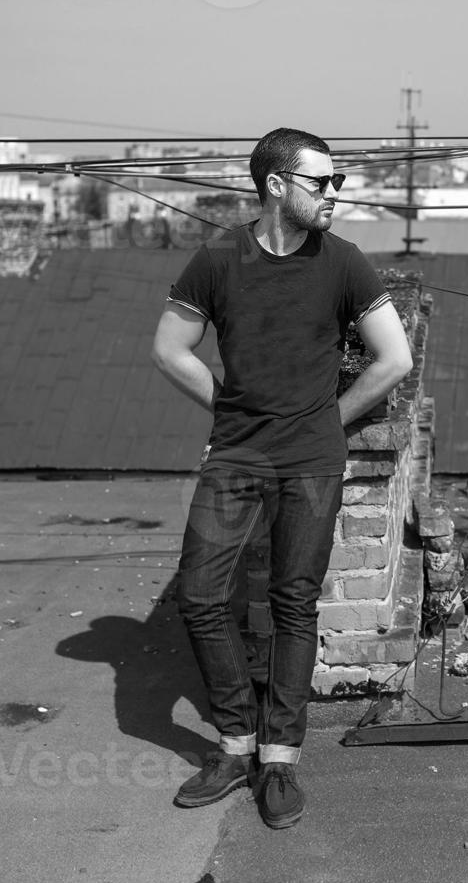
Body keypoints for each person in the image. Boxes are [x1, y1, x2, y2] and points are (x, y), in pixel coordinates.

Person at [152, 127, 412, 828]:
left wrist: (328, 420)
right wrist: (230, 408)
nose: (335, 194)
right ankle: (234, 745)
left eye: (336, 182)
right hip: (236, 456)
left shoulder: (344, 262)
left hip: (311, 461)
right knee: (202, 594)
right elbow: (170, 349)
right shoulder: (219, 259)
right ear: (275, 185)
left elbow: (394, 360)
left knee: (295, 603)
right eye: (321, 182)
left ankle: (279, 760)